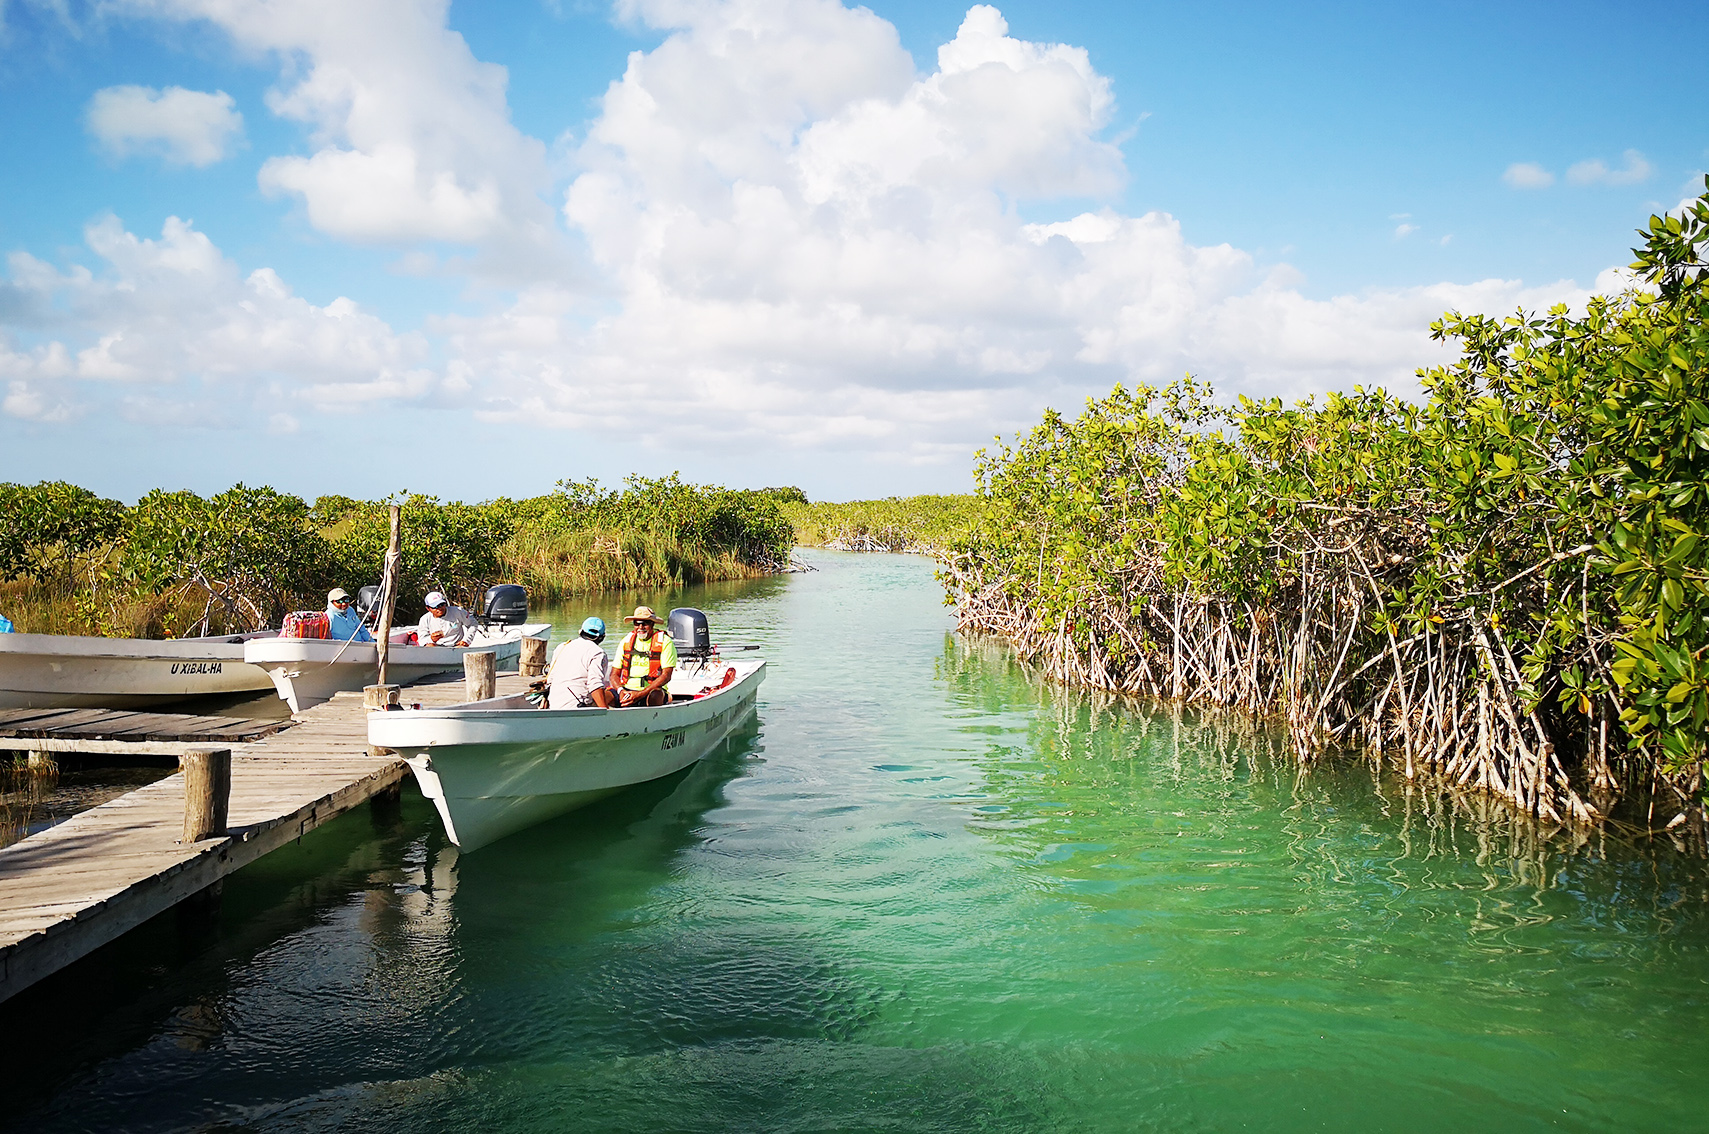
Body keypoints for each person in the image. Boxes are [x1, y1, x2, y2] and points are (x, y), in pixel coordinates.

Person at [547, 616, 617, 709]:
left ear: (580, 632)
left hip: (554, 705)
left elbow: (550, 680)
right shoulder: (598, 653)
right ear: (602, 637)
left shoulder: (562, 647)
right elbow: (595, 685)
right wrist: (606, 715)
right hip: (578, 707)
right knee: (614, 695)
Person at [615, 605, 676, 707]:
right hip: (627, 691)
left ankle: (653, 720)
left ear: (652, 624)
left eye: (645, 623)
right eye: (637, 624)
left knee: (655, 695)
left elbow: (666, 675)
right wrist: (621, 691)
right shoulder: (626, 641)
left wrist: (640, 694)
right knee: (605, 696)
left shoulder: (665, 642)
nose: (640, 627)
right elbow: (614, 674)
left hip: (651, 690)